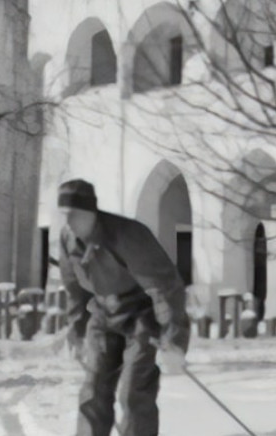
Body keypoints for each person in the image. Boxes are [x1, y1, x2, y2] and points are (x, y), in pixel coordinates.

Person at [57, 178, 189, 436]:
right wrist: (77, 331)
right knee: (93, 391)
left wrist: (174, 338)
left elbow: (165, 286)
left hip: (141, 315)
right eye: (64, 215)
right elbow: (72, 287)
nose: (69, 222)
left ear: (91, 213)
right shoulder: (67, 239)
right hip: (103, 315)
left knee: (133, 391)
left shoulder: (127, 234)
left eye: (74, 215)